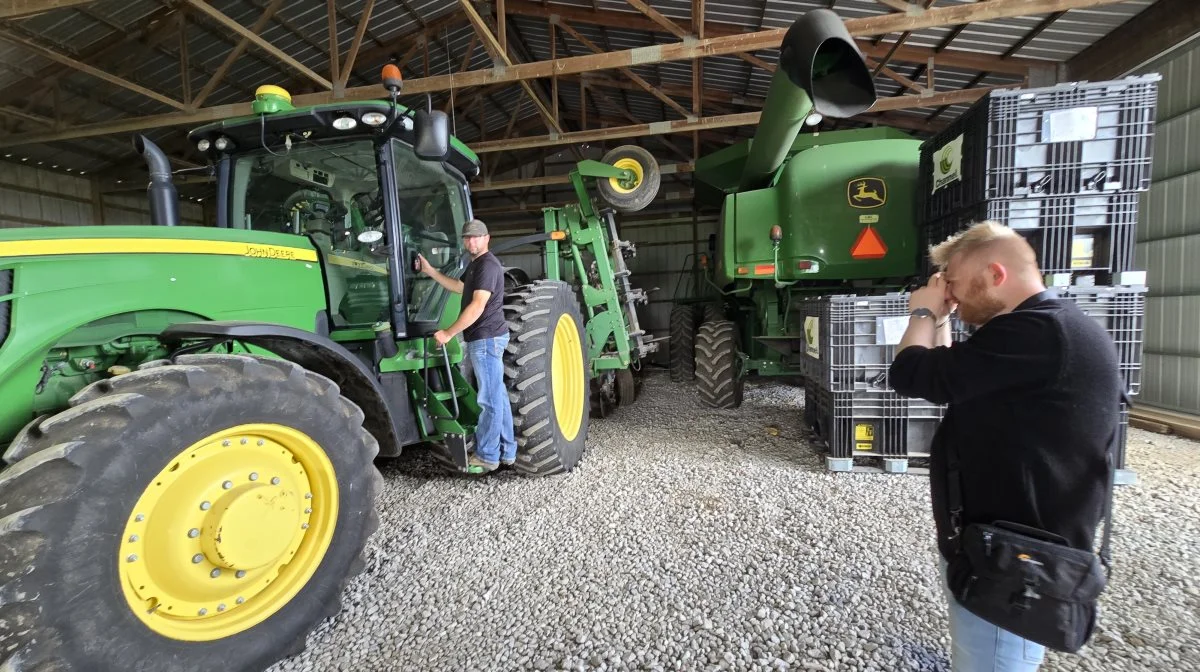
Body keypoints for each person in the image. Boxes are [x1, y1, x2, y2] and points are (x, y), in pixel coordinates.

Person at [888, 221, 1123, 671]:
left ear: (996, 275)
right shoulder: (1044, 327)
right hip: (1007, 544)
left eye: (954, 283)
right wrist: (939, 319)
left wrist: (920, 313)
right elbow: (948, 378)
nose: (950, 294)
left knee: (995, 659)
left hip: (1013, 558)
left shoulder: (1037, 333)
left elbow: (911, 373)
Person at [417, 218, 516, 474]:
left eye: (476, 237)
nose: (471, 241)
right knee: (498, 396)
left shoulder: (487, 266)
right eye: (467, 237)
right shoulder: (475, 266)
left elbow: (476, 306)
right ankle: (507, 451)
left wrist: (449, 333)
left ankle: (487, 455)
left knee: (489, 400)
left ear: (487, 238)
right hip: (488, 338)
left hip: (485, 338)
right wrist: (431, 272)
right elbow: (458, 287)